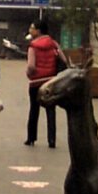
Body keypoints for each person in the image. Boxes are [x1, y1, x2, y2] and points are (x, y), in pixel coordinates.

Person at [25, 19, 68, 148]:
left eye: (32, 28)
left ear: (38, 31)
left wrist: (29, 74)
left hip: (36, 83)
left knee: (34, 109)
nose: (30, 30)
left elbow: (31, 66)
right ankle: (51, 140)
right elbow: (64, 60)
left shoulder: (33, 46)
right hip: (51, 82)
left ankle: (31, 138)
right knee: (50, 110)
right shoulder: (54, 44)